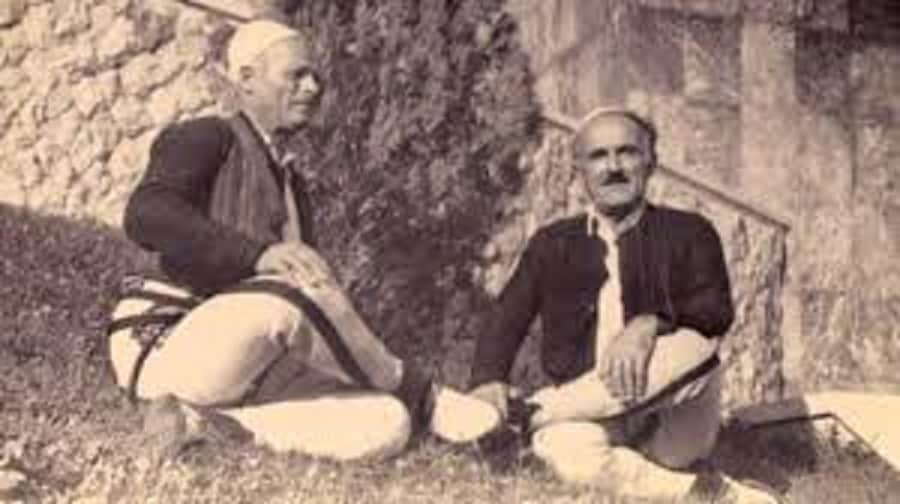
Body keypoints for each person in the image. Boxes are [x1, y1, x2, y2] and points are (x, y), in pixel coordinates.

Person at [108, 19, 496, 461]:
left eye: (314, 76)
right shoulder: (206, 135)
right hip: (168, 341)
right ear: (246, 79)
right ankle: (424, 395)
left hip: (244, 367)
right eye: (296, 75)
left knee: (388, 420)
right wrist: (258, 255)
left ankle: (206, 426)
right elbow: (146, 213)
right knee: (296, 286)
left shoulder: (292, 182)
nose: (312, 87)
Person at [469, 109, 780, 502]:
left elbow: (715, 310)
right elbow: (507, 316)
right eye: (598, 156)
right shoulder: (553, 243)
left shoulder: (690, 231)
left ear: (651, 161)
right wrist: (487, 379)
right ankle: (703, 492)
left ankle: (531, 414)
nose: (613, 167)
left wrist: (649, 324)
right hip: (589, 415)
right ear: (579, 169)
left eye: (627, 152)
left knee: (696, 347)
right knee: (560, 451)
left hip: (674, 421)